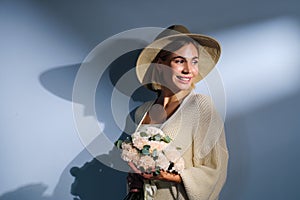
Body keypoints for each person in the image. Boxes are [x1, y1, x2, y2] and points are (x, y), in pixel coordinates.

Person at [124, 25, 228, 200]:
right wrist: (136, 178)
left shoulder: (200, 106)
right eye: (180, 61)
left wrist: (166, 176)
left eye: (194, 61)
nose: (189, 70)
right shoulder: (142, 111)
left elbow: (215, 169)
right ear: (160, 65)